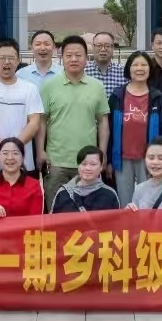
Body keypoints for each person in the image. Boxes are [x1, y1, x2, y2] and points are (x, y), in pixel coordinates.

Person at [38, 35, 109, 211]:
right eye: (69, 55)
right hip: (57, 162)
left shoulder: (97, 86)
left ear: (86, 58)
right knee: (57, 212)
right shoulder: (49, 86)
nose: (74, 59)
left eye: (78, 55)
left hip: (88, 162)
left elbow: (103, 122)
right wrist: (40, 151)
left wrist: (102, 153)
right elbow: (42, 121)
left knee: (87, 214)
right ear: (61, 58)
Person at [0, 40, 44, 174]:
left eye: (11, 58)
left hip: (23, 161)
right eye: (2, 58)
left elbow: (34, 123)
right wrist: (2, 146)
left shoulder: (30, 88)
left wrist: (15, 148)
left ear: (18, 60)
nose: (7, 62)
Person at [109, 51, 162, 207]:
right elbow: (109, 129)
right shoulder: (117, 95)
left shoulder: (157, 96)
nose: (139, 68)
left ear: (150, 69)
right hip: (122, 158)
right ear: (129, 69)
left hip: (149, 158)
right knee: (125, 202)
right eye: (135, 65)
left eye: (144, 65)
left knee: (148, 201)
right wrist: (108, 160)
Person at [0, 138, 44, 218]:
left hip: (24, 226)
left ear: (22, 158)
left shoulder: (34, 185)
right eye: (5, 153)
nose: (10, 157)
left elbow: (36, 219)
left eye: (15, 153)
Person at [51, 146, 122, 213]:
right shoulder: (63, 192)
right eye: (84, 164)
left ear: (101, 167)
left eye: (93, 164)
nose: (88, 168)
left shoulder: (110, 194)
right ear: (78, 166)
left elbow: (116, 220)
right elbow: (53, 220)